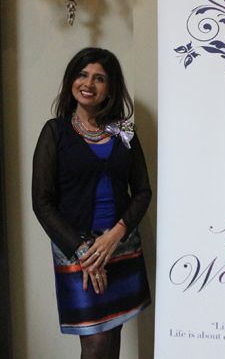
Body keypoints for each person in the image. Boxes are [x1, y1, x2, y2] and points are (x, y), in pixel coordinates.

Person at [32, 48, 152, 359]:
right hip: (77, 248)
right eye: (82, 75)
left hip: (120, 246)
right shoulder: (55, 132)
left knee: (112, 337)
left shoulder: (124, 130)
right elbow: (42, 202)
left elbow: (142, 191)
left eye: (99, 78)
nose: (88, 83)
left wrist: (116, 235)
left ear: (110, 88)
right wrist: (82, 252)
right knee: (96, 342)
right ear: (71, 80)